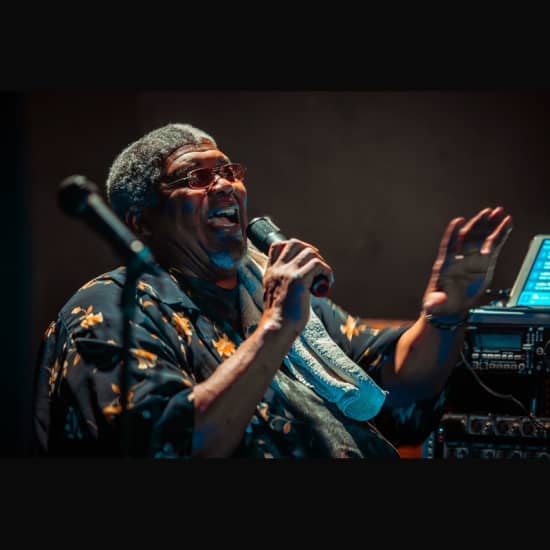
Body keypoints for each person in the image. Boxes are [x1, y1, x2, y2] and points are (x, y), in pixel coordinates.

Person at [33, 123, 513, 458]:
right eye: (197, 178)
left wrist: (445, 311)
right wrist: (277, 325)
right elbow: (174, 446)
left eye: (229, 172)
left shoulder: (263, 288)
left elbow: (399, 378)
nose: (225, 186)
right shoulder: (108, 311)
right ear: (141, 221)